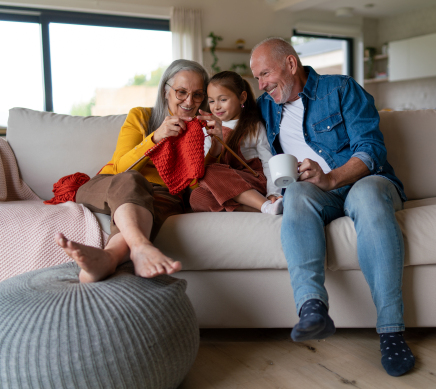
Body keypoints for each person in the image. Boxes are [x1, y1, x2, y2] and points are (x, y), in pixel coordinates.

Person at [250, 37, 415, 377]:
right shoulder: (266, 105)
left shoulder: (340, 89)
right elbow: (231, 113)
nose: (262, 84)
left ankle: (391, 331)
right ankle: (313, 308)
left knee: (367, 197)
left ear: (291, 64)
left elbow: (371, 150)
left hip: (366, 182)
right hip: (317, 192)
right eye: (256, 78)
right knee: (295, 195)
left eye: (265, 73)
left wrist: (330, 178)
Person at [55, 59, 210, 284]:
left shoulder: (200, 130)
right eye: (182, 92)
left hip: (161, 195)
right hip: (112, 183)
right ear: (166, 91)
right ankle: (140, 246)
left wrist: (214, 146)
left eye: (198, 94)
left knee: (148, 205)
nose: (189, 101)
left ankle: (107, 258)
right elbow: (121, 167)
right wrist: (156, 137)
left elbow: (196, 184)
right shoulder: (141, 116)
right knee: (132, 179)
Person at [189, 71, 282, 214]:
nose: (216, 107)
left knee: (208, 171)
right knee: (197, 196)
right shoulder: (208, 127)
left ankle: (264, 203)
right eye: (212, 101)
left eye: (223, 100)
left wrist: (273, 192)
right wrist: (216, 142)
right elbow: (204, 164)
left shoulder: (253, 125)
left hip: (252, 181)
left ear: (242, 98)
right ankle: (260, 208)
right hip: (223, 184)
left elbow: (267, 161)